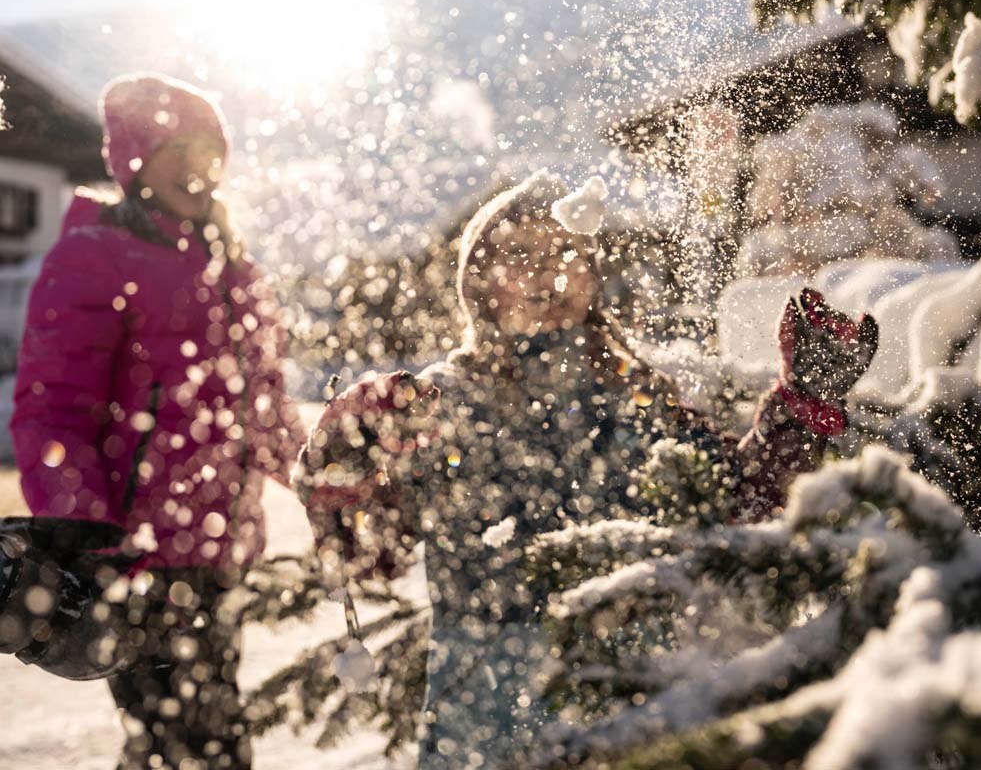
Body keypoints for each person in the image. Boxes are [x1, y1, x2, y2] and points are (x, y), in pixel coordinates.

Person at [296, 171, 878, 769]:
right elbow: (368, 551)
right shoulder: (442, 403)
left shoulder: (634, 397)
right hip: (490, 718)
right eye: (520, 254)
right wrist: (350, 444)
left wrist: (800, 408)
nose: (549, 273)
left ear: (593, 275)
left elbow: (733, 504)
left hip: (634, 699)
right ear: (479, 285)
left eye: (567, 252)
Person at [8, 73, 302, 770]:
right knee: (201, 741)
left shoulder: (235, 268)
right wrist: (88, 533)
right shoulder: (95, 255)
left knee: (180, 736)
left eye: (210, 151)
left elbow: (263, 407)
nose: (198, 168)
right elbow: (53, 411)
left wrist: (323, 467)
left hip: (220, 550)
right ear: (136, 160)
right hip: (137, 555)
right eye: (179, 149)